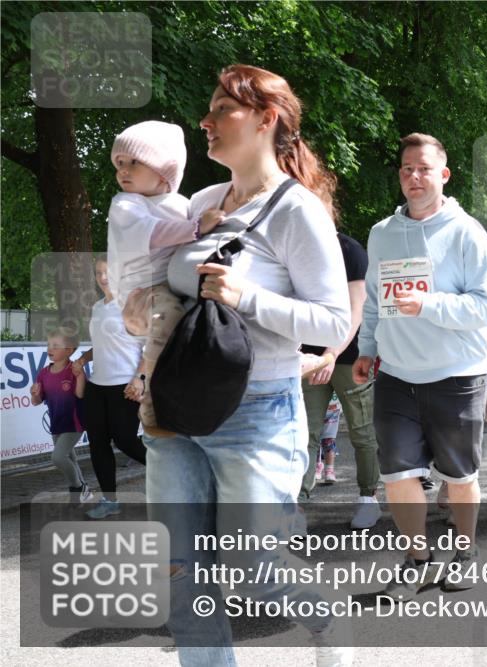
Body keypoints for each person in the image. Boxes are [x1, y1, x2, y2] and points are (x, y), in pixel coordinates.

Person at [151, 64, 353, 667]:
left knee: (254, 566)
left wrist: (248, 297)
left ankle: (326, 618)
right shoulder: (202, 203)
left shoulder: (297, 211)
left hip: (257, 413)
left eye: (222, 109)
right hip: (175, 407)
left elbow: (333, 324)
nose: (205, 121)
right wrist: (141, 305)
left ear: (266, 120)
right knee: (180, 570)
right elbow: (172, 286)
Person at [353, 132, 487, 600]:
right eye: (406, 169)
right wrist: (366, 349)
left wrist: (429, 305)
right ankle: (417, 560)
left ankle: (466, 552)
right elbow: (373, 301)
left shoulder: (468, 232)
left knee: (460, 478)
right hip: (396, 374)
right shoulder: (381, 233)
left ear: (444, 175)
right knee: (397, 476)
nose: (414, 177)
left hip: (457, 375)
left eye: (423, 168)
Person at [105, 120, 220, 437]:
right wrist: (196, 228)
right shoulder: (126, 203)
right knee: (168, 316)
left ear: (163, 173)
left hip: (170, 289)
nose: (123, 170)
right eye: (119, 163)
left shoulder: (183, 204)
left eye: (134, 162)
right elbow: (150, 233)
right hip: (141, 293)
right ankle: (150, 402)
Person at [297, 231, 381, 530]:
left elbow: (357, 309)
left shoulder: (350, 249)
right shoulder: (296, 244)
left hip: (349, 356)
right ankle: (297, 506)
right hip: (308, 356)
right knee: (304, 434)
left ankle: (368, 498)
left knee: (362, 431)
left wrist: (331, 353)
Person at [72, 257, 148, 519]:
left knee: (125, 440)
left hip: (124, 386)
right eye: (98, 273)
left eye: (108, 272)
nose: (103, 277)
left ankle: (171, 474)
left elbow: (149, 346)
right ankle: (109, 500)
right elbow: (104, 345)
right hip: (97, 386)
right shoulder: (97, 307)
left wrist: (139, 378)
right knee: (98, 443)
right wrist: (84, 359)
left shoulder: (132, 304)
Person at [30, 327, 90, 505]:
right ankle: (83, 491)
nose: (50, 348)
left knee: (58, 457)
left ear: (69, 350)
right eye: (49, 345)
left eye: (55, 345)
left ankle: (78, 487)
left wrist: (80, 376)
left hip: (74, 423)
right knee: (70, 458)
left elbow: (80, 394)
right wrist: (34, 394)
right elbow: (36, 401)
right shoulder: (43, 373)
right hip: (56, 423)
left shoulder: (74, 370)